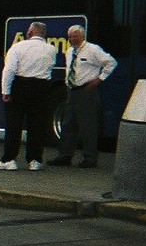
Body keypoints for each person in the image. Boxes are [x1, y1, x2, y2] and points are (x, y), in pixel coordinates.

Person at [48, 25, 117, 168]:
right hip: (72, 91)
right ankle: (65, 156)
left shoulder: (93, 49)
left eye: (75, 36)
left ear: (82, 36)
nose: (72, 39)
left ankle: (90, 159)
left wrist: (100, 79)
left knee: (88, 126)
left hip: (86, 91)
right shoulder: (69, 51)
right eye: (70, 36)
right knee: (68, 125)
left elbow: (111, 62)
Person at [0, 20, 56, 171]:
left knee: (14, 125)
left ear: (29, 32)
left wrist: (6, 91)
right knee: (37, 125)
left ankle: (9, 159)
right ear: (44, 34)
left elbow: (9, 70)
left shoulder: (18, 47)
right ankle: (35, 160)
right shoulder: (51, 49)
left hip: (21, 86)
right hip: (42, 87)